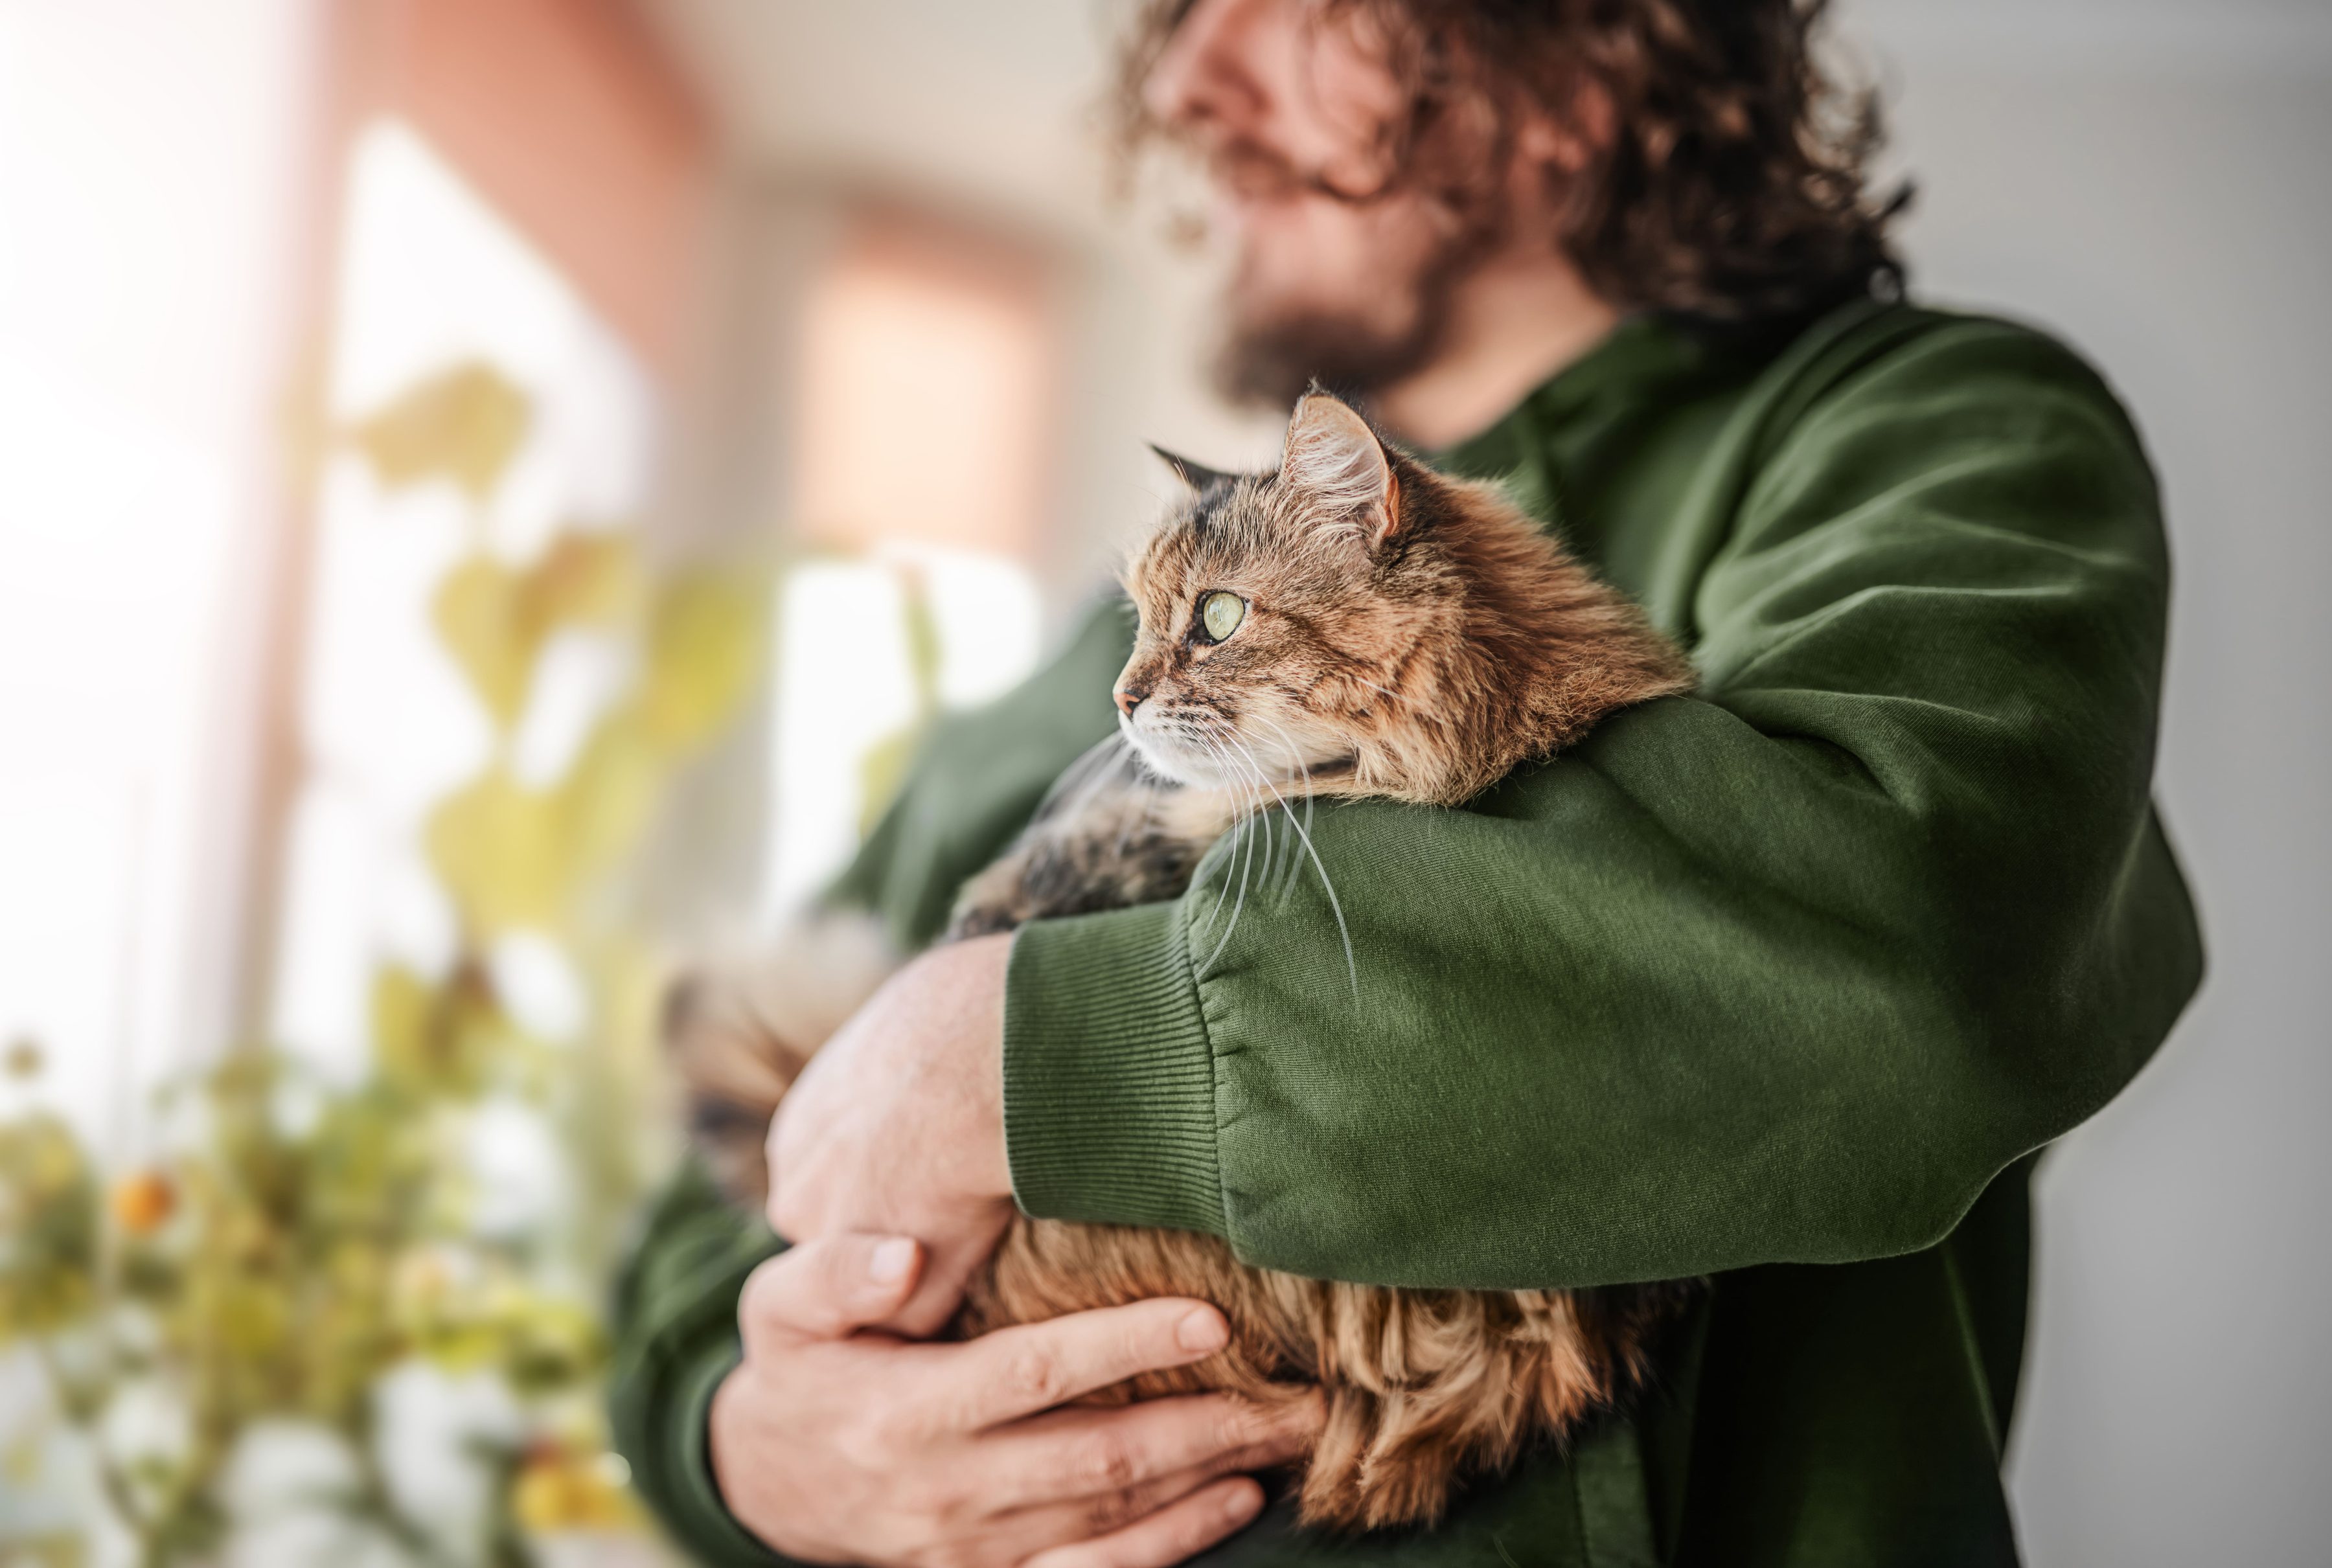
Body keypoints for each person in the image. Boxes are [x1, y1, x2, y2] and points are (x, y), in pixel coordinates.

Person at [609, 0, 2203, 1563]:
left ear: (1580, 63)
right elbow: (684, 1251)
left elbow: (1911, 954)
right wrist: (748, 1446)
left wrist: (1033, 1053)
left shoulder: (1930, 434)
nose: (1187, 76)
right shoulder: (1097, 660)